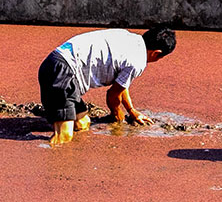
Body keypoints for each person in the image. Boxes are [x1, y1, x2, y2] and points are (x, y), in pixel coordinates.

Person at [38, 27, 177, 144]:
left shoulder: (129, 37)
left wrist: (131, 110)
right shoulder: (138, 61)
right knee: (64, 136)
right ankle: (54, 169)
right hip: (63, 72)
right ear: (156, 53)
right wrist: (117, 115)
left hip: (56, 63)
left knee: (83, 123)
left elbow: (121, 84)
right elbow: (112, 95)